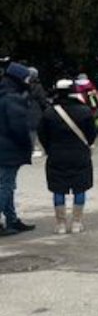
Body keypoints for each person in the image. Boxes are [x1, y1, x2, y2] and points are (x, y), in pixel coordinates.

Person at [38, 79, 97, 234]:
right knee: (80, 188)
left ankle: (60, 224)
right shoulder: (84, 111)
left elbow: (42, 134)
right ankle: (77, 223)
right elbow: (91, 135)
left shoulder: (49, 112)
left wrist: (49, 148)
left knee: (58, 189)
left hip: (57, 154)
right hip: (79, 154)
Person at [0, 63, 36, 235]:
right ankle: (9, 219)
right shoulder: (13, 98)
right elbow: (19, 127)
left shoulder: (3, 94)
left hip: (4, 148)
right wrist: (26, 145)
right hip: (9, 149)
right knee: (6, 186)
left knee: (7, 184)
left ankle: (12, 219)